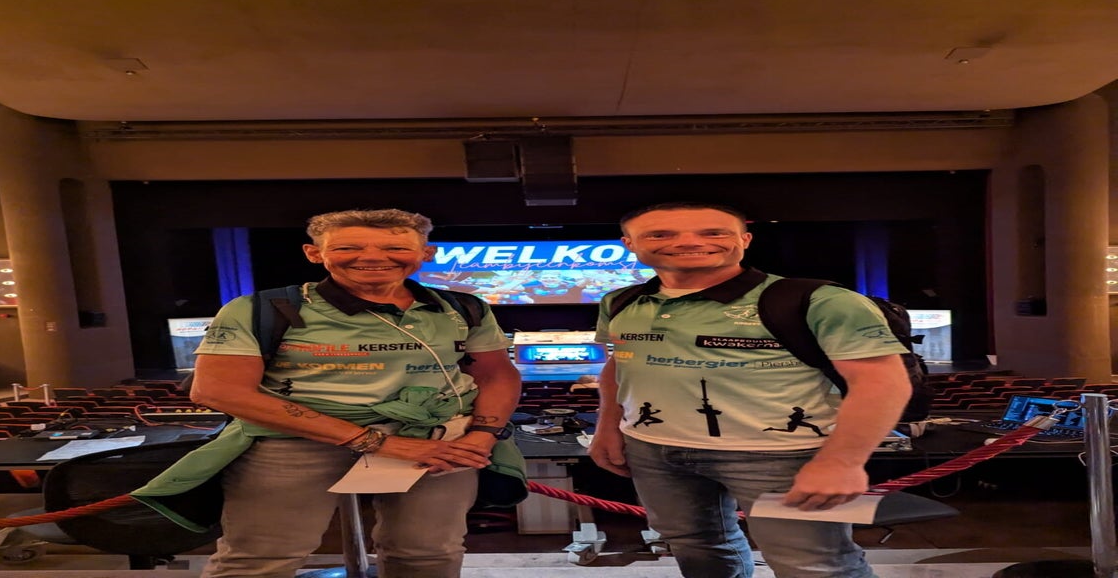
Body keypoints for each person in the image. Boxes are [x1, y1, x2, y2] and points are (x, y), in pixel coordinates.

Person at [135, 209, 523, 578]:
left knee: (428, 554)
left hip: (435, 440)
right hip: (293, 444)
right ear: (314, 253)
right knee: (261, 559)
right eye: (348, 247)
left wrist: (483, 435)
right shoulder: (259, 309)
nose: (373, 258)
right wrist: (376, 442)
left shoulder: (462, 308)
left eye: (395, 247)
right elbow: (217, 390)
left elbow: (495, 375)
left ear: (426, 253)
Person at [589, 202, 912, 578]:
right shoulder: (620, 301)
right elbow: (619, 366)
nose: (689, 242)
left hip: (782, 457)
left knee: (815, 564)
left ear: (745, 239)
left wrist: (842, 462)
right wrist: (607, 427)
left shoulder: (823, 300)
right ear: (629, 243)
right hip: (654, 452)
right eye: (661, 234)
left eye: (713, 232)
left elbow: (882, 383)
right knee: (695, 548)